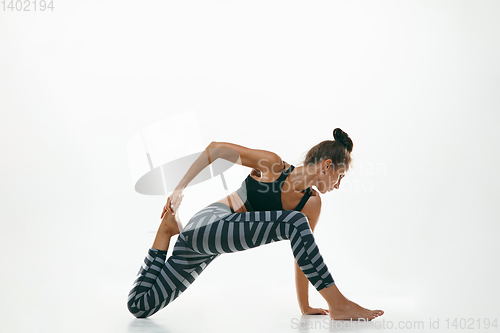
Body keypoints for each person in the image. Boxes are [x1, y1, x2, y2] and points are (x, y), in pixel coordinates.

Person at [127, 128, 384, 321]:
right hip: (209, 224)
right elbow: (216, 149)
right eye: (339, 176)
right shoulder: (273, 165)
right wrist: (178, 189)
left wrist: (304, 306)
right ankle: (338, 304)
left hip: (208, 246)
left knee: (140, 306)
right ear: (327, 166)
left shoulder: (311, 204)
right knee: (294, 222)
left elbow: (302, 254)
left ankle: (166, 230)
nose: (338, 185)